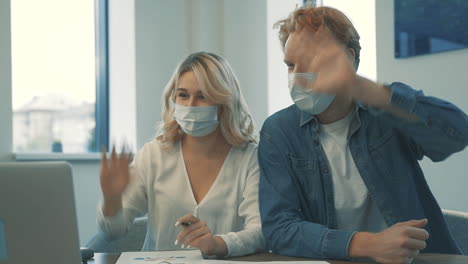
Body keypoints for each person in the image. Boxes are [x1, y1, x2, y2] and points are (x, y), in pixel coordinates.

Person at [258, 6, 468, 263]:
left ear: (348, 58)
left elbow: (457, 134)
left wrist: (363, 88)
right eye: (291, 65)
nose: (298, 77)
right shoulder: (278, 131)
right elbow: (279, 229)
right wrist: (369, 244)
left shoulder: (385, 107)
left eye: (311, 60)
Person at [98, 52, 265, 257]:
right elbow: (113, 232)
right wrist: (111, 199)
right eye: (183, 95)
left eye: (203, 96)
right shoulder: (154, 155)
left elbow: (260, 232)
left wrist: (217, 243)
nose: (190, 105)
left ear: (224, 102)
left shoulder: (249, 158)